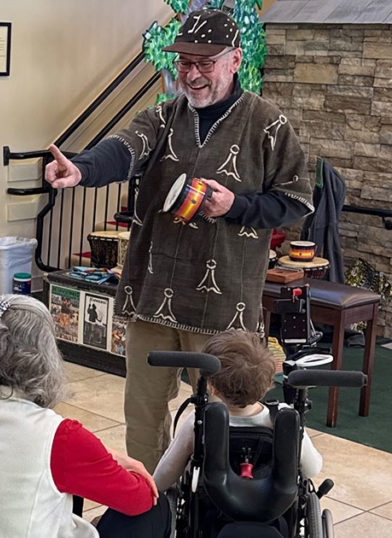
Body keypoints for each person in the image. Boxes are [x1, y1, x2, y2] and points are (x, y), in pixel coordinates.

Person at [43, 9, 314, 471]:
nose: (191, 74)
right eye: (185, 61)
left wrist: (238, 207)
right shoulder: (161, 117)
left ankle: (217, 499)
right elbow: (124, 149)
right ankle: (150, 501)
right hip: (152, 294)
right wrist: (82, 168)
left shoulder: (268, 125)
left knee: (229, 414)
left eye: (204, 63)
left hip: (223, 303)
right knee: (143, 414)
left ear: (234, 60)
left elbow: (295, 200)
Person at [0, 294, 168, 538]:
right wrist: (117, 463)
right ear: (46, 356)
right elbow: (141, 499)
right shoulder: (60, 437)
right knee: (156, 507)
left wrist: (110, 455)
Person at [153, 329, 322, 491]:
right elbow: (312, 469)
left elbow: (164, 476)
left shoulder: (201, 420)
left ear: (212, 387)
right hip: (273, 509)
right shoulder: (283, 417)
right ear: (268, 383)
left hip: (213, 506)